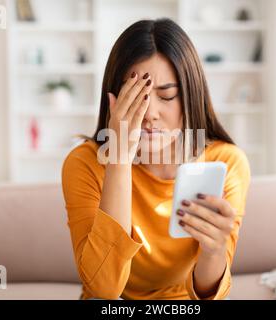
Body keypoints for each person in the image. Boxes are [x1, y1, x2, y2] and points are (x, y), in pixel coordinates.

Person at [62, 18, 250, 300]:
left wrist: (214, 250)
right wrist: (120, 160)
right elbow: (104, 288)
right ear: (114, 98)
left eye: (167, 95)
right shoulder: (85, 163)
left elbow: (210, 296)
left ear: (191, 97)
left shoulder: (225, 162)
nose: (150, 113)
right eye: (137, 96)